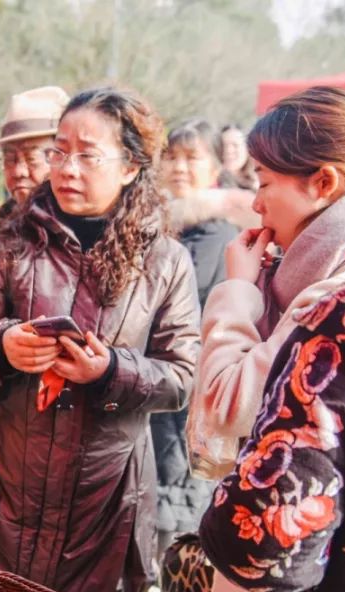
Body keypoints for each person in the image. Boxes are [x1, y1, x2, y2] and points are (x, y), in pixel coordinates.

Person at [0, 87, 200, 592]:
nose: (67, 168)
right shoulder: (17, 241)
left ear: (131, 167)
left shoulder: (166, 261)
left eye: (88, 156)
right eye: (60, 152)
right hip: (5, 484)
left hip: (102, 496)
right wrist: (3, 347)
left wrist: (111, 369)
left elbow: (182, 377)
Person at [187, 86, 345, 592]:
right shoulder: (310, 270)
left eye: (264, 181)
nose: (256, 203)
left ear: (322, 184)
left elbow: (233, 404)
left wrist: (238, 289)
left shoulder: (336, 298)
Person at [153, 120, 236, 549]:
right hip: (158, 399)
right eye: (171, 156)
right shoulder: (166, 226)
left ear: (216, 171)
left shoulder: (220, 238)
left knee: (177, 530)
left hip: (186, 407)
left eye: (192, 157)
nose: (179, 167)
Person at [0, 86, 70, 226]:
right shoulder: (9, 226)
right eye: (9, 160)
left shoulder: (89, 232)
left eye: (31, 158)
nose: (18, 172)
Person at [220, 122, 257, 191]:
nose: (228, 150)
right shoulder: (213, 185)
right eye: (223, 145)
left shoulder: (261, 181)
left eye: (235, 145)